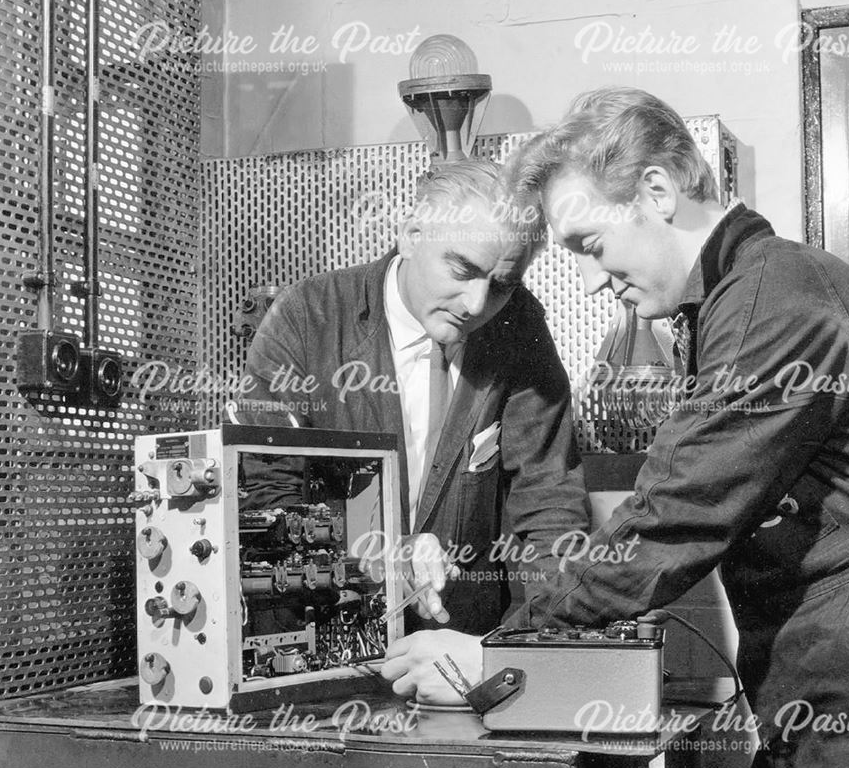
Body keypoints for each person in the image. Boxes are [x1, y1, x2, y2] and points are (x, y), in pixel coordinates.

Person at [381, 88, 849, 768]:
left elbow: (679, 511)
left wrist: (505, 654)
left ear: (656, 191)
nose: (588, 281)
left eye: (591, 245)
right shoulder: (740, 297)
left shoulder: (778, 299)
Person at [236, 159, 590, 635]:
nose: (476, 304)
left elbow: (548, 502)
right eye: (462, 269)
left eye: (503, 285)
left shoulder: (519, 327)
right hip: (321, 638)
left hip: (459, 644)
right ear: (411, 235)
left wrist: (554, 637)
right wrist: (376, 549)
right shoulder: (306, 318)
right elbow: (264, 499)